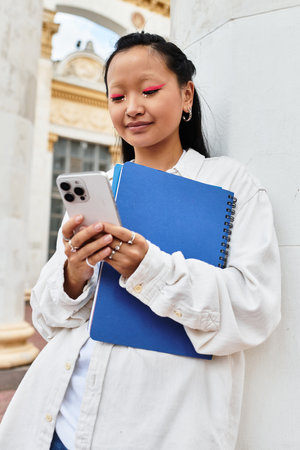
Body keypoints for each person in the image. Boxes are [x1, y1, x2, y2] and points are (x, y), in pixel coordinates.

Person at [0, 32, 281, 450]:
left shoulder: (229, 184)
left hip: (158, 428)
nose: (132, 108)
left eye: (149, 90)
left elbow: (254, 309)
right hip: (58, 421)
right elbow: (45, 318)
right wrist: (73, 272)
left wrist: (147, 267)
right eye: (116, 97)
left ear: (187, 95)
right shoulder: (102, 188)